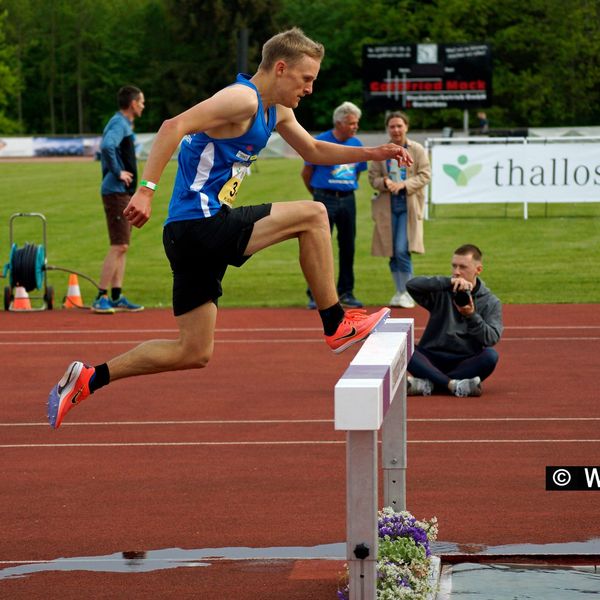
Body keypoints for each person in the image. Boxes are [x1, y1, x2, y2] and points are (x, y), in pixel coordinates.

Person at [47, 28, 414, 429]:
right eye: (306, 79)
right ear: (280, 67)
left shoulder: (278, 111)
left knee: (193, 351)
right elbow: (173, 126)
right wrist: (147, 191)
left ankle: (88, 377)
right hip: (201, 223)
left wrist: (374, 151)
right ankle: (336, 323)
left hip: (189, 235)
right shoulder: (242, 99)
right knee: (314, 215)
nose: (310, 88)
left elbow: (312, 150)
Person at [405, 244, 503, 397]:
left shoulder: (490, 302)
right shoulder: (443, 289)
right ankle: (453, 385)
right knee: (402, 347)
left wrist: (471, 316)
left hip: (464, 361)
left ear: (478, 270)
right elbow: (411, 285)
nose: (457, 272)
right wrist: (447, 282)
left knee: (490, 356)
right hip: (431, 356)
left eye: (463, 267)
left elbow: (491, 338)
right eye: (454, 266)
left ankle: (429, 383)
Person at [301, 101, 367, 309]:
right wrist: (319, 194)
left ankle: (346, 292)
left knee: (348, 246)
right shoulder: (320, 141)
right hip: (324, 197)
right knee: (319, 248)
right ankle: (315, 294)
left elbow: (358, 171)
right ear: (339, 123)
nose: (355, 127)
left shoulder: (357, 144)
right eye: (351, 123)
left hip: (348, 199)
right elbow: (307, 173)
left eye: (356, 123)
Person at [368, 111, 431, 309]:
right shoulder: (381, 151)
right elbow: (372, 178)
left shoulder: (417, 149)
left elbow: (425, 174)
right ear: (388, 129)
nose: (396, 130)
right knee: (392, 251)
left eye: (399, 126)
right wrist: (385, 182)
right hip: (387, 207)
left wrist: (404, 184)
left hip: (408, 206)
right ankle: (399, 292)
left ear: (406, 127)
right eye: (392, 126)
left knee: (403, 250)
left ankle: (407, 293)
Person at [92, 85, 146, 314]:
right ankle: (100, 297)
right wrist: (118, 172)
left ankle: (116, 296)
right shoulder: (118, 123)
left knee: (123, 246)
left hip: (123, 192)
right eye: (141, 101)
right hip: (115, 192)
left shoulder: (124, 124)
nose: (143, 105)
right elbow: (106, 146)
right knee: (119, 245)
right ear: (133, 103)